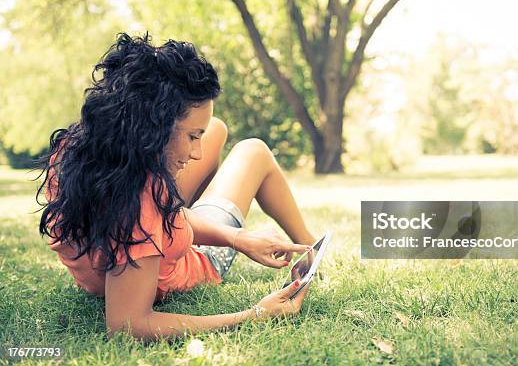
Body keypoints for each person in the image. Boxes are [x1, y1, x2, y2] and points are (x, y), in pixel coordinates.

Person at [36, 33, 318, 342]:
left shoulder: (73, 152)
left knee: (218, 129)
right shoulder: (138, 207)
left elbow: (168, 214)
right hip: (195, 261)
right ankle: (310, 247)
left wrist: (239, 238)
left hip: (149, 240)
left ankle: (307, 249)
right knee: (254, 151)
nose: (196, 152)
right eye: (191, 137)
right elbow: (129, 325)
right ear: (154, 126)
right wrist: (255, 314)